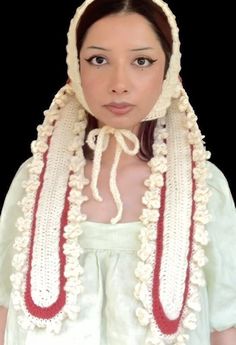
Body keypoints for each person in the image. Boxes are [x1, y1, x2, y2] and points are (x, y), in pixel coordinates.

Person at [0, 0, 236, 344]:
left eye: (142, 61)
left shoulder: (203, 190)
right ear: (75, 68)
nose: (119, 83)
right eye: (99, 60)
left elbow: (223, 322)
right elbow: (6, 306)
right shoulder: (34, 182)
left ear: (169, 71)